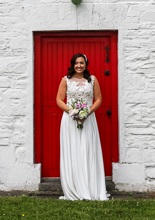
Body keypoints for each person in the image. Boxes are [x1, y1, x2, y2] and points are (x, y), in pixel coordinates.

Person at [55, 53, 109, 200]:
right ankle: (74, 188)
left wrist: (87, 113)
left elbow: (98, 99)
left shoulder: (92, 80)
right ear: (73, 65)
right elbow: (59, 100)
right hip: (70, 120)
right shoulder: (65, 80)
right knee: (73, 150)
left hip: (88, 119)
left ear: (86, 64)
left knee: (88, 149)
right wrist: (72, 112)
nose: (79, 65)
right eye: (76, 63)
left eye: (82, 63)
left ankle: (91, 188)